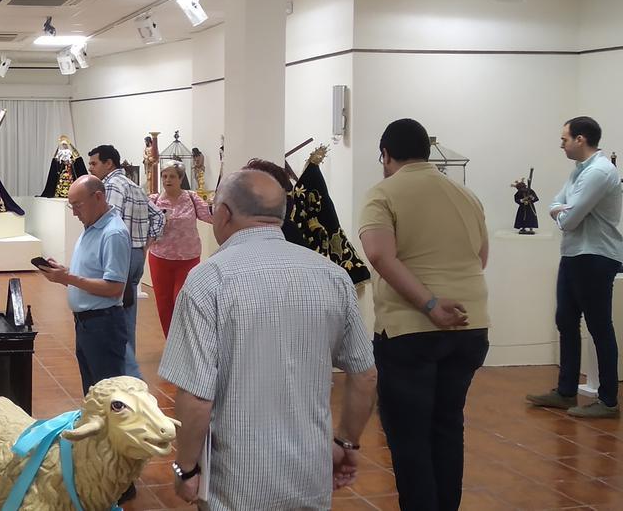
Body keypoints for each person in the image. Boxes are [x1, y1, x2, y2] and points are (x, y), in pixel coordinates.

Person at [160, 170, 377, 509]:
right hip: (310, 476)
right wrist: (346, 443)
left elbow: (196, 397)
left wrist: (185, 467)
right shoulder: (333, 276)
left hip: (236, 485)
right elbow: (365, 375)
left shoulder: (208, 281)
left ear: (224, 213)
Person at [358, 118, 490, 511]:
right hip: (471, 324)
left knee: (408, 434)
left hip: (410, 329)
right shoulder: (465, 194)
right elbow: (480, 257)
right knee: (448, 425)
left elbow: (380, 255)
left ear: (385, 154)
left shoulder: (383, 193)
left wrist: (430, 304)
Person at [527, 116, 623, 418]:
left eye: (564, 138)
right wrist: (561, 209)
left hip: (595, 256)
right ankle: (566, 392)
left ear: (581, 139)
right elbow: (555, 203)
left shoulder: (599, 171)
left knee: (599, 327)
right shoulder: (579, 171)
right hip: (574, 255)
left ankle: (608, 401)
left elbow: (568, 219)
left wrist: (560, 211)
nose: (561, 144)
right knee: (565, 320)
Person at [36, 175, 130, 394]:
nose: (74, 212)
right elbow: (89, 274)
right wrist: (64, 273)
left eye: (77, 205)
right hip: (87, 323)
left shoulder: (113, 233)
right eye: (71, 206)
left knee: (106, 396)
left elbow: (115, 287)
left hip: (104, 325)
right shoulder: (92, 226)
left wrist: (68, 278)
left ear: (98, 197)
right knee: (92, 393)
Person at [87, 144, 164, 379]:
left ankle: (127, 373)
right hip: (135, 254)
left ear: (109, 163)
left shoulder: (111, 186)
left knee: (112, 316)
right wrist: (144, 245)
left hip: (119, 255)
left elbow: (112, 220)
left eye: (94, 164)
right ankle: (127, 372)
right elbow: (159, 216)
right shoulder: (133, 185)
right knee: (127, 314)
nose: (90, 169)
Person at [148, 163, 212, 336]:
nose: (167, 180)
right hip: (160, 257)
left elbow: (209, 216)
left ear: (181, 179)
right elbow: (144, 225)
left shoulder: (191, 198)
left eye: (172, 176)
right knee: (164, 303)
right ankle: (171, 342)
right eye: (164, 176)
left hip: (188, 259)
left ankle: (186, 341)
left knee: (182, 300)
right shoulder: (153, 200)